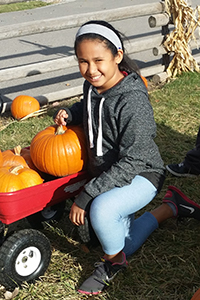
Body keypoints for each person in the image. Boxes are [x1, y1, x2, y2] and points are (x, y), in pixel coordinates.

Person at [54, 20, 200, 295]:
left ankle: (113, 264)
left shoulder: (132, 100)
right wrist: (72, 113)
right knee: (119, 238)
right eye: (82, 61)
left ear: (118, 56)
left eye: (99, 60)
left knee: (102, 213)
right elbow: (90, 106)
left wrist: (87, 195)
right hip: (110, 173)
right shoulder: (92, 86)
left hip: (141, 173)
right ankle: (172, 207)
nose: (91, 69)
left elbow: (134, 160)